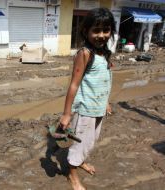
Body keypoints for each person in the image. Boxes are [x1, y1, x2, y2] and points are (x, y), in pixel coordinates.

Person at [59, 8, 116, 190]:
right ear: (86, 31)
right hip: (85, 110)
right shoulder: (85, 53)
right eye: (96, 30)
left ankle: (80, 161)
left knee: (90, 141)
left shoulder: (104, 53)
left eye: (106, 30)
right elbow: (74, 85)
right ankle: (72, 175)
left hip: (98, 107)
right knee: (80, 143)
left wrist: (106, 101)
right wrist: (66, 114)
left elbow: (105, 81)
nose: (101, 35)